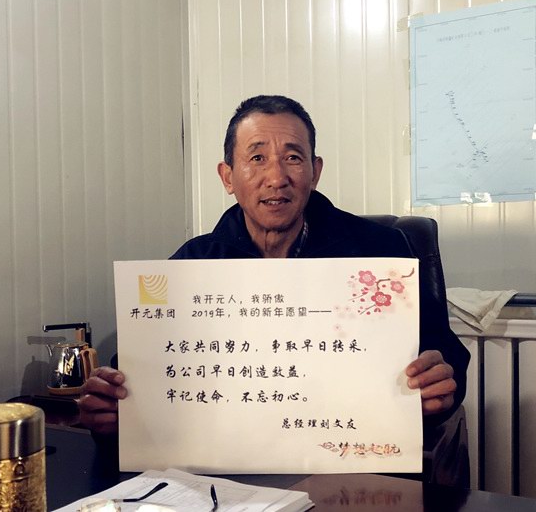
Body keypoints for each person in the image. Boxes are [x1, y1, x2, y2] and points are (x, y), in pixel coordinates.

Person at [79, 95, 470, 483]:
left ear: (315, 171)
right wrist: (112, 410)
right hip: (230, 483)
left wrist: (440, 385)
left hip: (351, 477)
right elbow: (138, 376)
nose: (276, 177)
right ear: (227, 176)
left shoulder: (380, 251)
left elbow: (445, 353)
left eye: (293, 157)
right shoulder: (192, 264)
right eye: (257, 157)